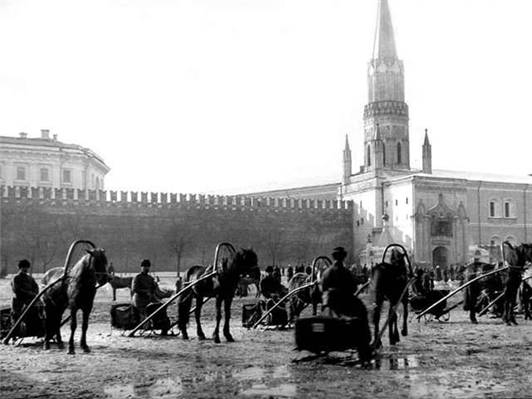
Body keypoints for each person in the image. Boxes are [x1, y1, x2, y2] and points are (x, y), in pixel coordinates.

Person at [320, 247, 372, 365]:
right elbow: (353, 288)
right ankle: (364, 344)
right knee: (362, 310)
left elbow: (322, 288)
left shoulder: (327, 272)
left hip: (329, 303)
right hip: (344, 302)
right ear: (343, 257)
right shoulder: (345, 272)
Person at [11, 259, 42, 335]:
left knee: (39, 311)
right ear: (20, 268)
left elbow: (36, 287)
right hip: (19, 300)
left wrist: (35, 294)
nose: (25, 269)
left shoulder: (30, 278)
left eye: (26, 268)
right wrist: (30, 293)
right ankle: (16, 331)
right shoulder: (16, 278)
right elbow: (17, 290)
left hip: (30, 300)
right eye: (23, 267)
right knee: (17, 315)